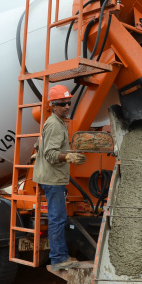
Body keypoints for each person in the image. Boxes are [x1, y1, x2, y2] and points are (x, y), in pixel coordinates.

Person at [33, 85, 86, 271]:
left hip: (52, 177)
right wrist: (68, 156)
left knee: (58, 218)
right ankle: (58, 258)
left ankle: (60, 255)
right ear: (53, 106)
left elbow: (41, 146)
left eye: (68, 102)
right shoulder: (55, 124)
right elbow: (50, 154)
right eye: (62, 103)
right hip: (53, 179)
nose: (66, 106)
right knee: (57, 219)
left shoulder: (55, 121)